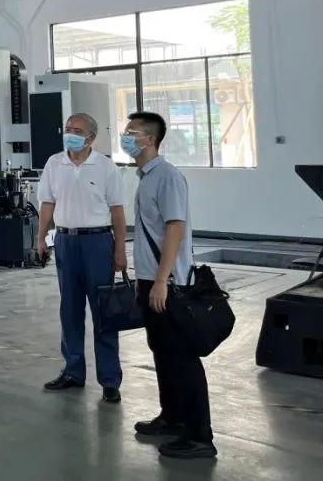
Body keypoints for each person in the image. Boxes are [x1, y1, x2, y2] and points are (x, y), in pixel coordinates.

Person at [123, 112, 216, 459]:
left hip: (170, 282)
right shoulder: (146, 177)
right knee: (162, 351)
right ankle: (173, 417)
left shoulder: (167, 177)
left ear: (150, 139)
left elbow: (175, 228)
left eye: (131, 132)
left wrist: (162, 280)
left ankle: (199, 436)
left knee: (181, 357)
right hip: (151, 279)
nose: (126, 137)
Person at [36, 113, 127, 403]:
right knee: (70, 309)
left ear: (91, 137)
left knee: (104, 311)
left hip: (98, 242)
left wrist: (120, 250)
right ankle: (73, 371)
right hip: (66, 241)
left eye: (77, 131)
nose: (70, 134)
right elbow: (47, 203)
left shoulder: (105, 167)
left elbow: (117, 212)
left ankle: (110, 380)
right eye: (68, 129)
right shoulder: (54, 163)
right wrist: (41, 237)